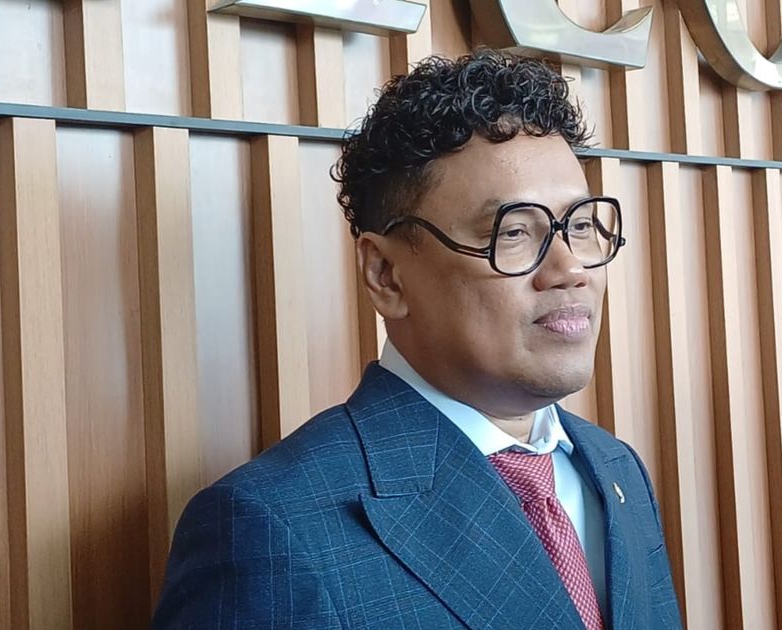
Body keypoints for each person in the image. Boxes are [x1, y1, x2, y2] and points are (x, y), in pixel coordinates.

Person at [152, 49, 680, 629]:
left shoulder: (616, 470)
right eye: (513, 232)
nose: (570, 268)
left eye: (579, 225)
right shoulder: (272, 528)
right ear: (386, 274)